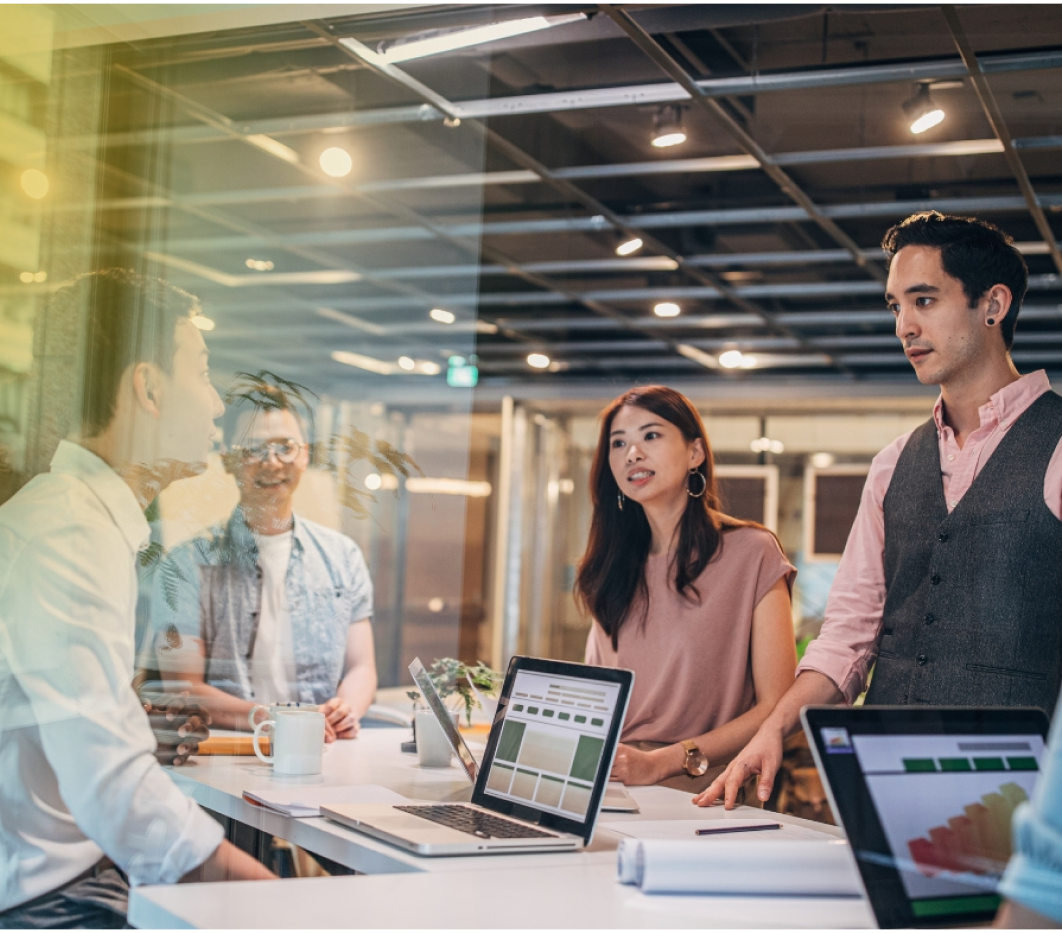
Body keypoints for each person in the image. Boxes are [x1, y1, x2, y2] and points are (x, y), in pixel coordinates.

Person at [699, 211, 1062, 810]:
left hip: (1021, 797)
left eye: (924, 300)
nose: (904, 326)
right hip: (891, 783)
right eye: (895, 306)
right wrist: (773, 727)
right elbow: (848, 636)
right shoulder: (893, 464)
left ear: (992, 304)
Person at [0, 270, 273, 927]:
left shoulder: (73, 516)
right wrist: (274, 895)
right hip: (52, 902)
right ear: (147, 387)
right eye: (202, 371)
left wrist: (132, 727)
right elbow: (113, 792)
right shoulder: (70, 531)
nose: (215, 403)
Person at [577, 385, 797, 793]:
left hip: (707, 790)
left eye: (651, 435)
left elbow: (776, 707)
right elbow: (599, 702)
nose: (632, 454)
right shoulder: (610, 568)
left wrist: (661, 763)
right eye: (618, 443)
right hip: (613, 784)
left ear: (695, 453)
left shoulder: (752, 552)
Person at [142, 377, 376, 741]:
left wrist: (346, 709)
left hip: (322, 751)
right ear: (228, 459)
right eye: (253, 448)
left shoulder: (342, 556)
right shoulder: (184, 565)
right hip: (229, 755)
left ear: (305, 454)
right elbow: (182, 686)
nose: (272, 462)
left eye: (285, 447)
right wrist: (278, 721)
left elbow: (362, 668)